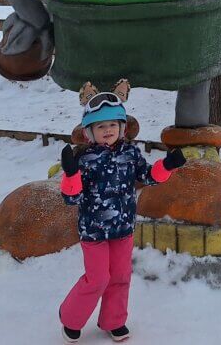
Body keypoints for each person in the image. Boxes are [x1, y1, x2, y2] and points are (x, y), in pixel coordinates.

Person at [58, 83, 186, 343]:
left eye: (113, 125)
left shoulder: (130, 153)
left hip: (122, 229)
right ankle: (70, 318)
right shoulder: (83, 159)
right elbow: (71, 198)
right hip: (94, 231)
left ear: (122, 128)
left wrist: (167, 166)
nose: (108, 131)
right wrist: (71, 174)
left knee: (119, 276)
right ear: (89, 132)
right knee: (97, 278)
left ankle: (113, 321)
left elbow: (148, 176)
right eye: (101, 127)